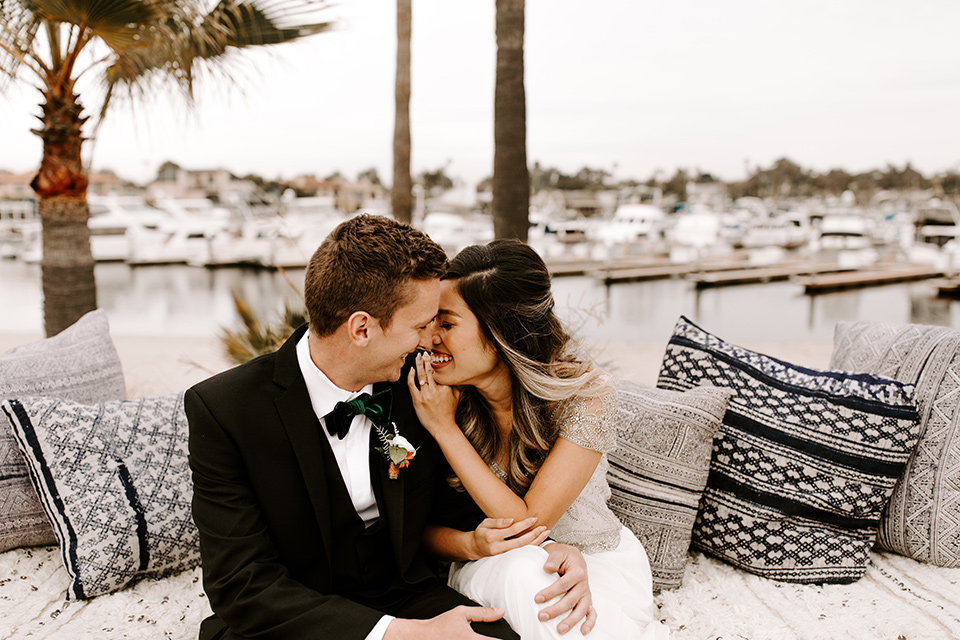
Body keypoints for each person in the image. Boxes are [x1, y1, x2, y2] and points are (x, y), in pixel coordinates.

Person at [185, 215, 595, 640]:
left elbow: (463, 503)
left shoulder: (421, 389)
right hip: (290, 617)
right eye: (420, 326)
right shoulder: (224, 410)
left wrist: (551, 550)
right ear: (362, 328)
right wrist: (395, 634)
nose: (428, 342)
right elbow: (241, 585)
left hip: (404, 595)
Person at [408, 239, 671, 640]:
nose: (429, 340)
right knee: (520, 573)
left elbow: (529, 524)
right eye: (429, 324)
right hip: (495, 565)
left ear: (501, 332)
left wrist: (444, 430)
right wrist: (471, 545)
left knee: (543, 588)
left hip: (599, 565)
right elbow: (416, 529)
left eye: (447, 324)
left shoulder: (586, 397)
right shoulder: (440, 399)